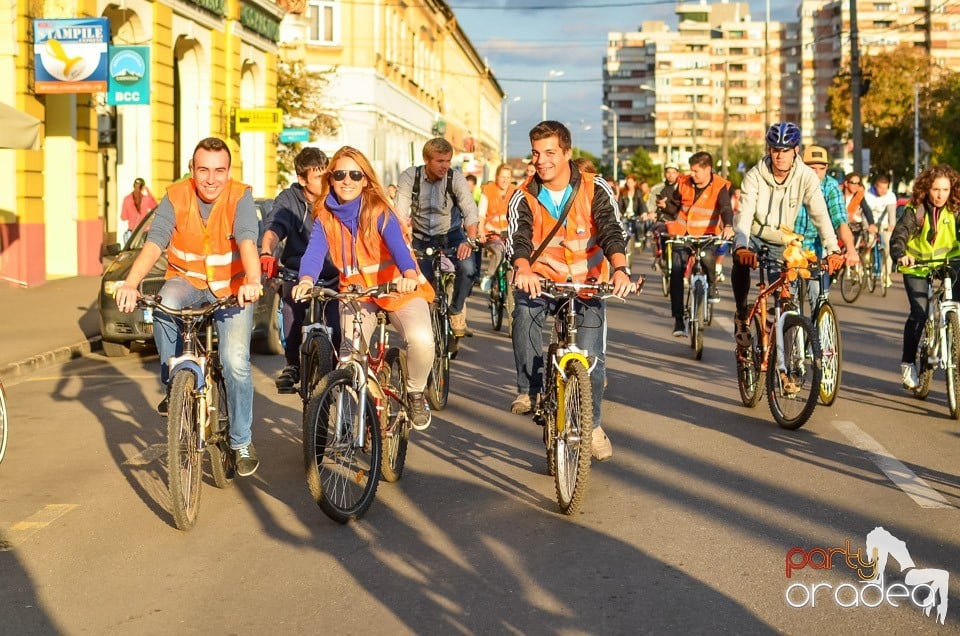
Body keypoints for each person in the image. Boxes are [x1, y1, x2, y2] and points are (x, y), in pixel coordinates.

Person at [114, 137, 263, 476]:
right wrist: (130, 283)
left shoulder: (240, 197)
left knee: (235, 361)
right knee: (164, 302)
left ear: (228, 173)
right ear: (192, 171)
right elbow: (155, 243)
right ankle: (176, 382)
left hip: (233, 287)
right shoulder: (176, 195)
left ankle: (240, 442)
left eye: (219, 171)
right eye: (203, 170)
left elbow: (247, 239)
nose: (211, 179)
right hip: (187, 282)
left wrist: (253, 280)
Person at [506, 120, 637, 461]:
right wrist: (522, 269)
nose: (541, 160)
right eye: (536, 153)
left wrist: (620, 268)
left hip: (587, 285)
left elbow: (611, 229)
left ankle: (592, 426)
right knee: (523, 316)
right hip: (541, 282)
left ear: (567, 152)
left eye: (550, 152)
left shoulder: (596, 188)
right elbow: (517, 238)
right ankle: (532, 390)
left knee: (593, 362)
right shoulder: (522, 195)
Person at [292, 146, 436, 429]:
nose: (347, 180)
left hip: (398, 288)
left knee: (421, 340)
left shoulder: (379, 211)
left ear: (365, 180)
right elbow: (314, 251)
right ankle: (353, 416)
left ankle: (416, 391)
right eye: (340, 174)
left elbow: (398, 247)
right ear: (330, 179)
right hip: (358, 293)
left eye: (355, 175)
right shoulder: (325, 216)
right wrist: (306, 279)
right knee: (349, 355)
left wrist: (408, 273)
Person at [732, 122, 843, 346]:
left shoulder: (806, 176)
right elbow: (744, 215)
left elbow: (820, 214)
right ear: (769, 150)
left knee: (784, 300)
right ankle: (742, 314)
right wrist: (741, 246)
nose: (779, 156)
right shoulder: (754, 176)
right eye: (775, 150)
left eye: (785, 150)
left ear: (796, 150)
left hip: (781, 241)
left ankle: (782, 360)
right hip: (753, 234)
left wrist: (833, 249)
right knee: (740, 262)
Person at [259, 147, 341, 393]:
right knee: (291, 307)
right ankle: (292, 363)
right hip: (296, 271)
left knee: (339, 323)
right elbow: (274, 228)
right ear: (302, 179)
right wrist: (266, 253)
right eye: (318, 176)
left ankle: (336, 370)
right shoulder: (288, 199)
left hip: (334, 274)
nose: (325, 181)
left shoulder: (338, 196)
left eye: (327, 174)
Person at [395, 138, 480, 338]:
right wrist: (403, 240)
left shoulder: (455, 178)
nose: (445, 166)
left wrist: (470, 240)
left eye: (448, 161)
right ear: (426, 159)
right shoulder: (410, 177)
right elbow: (399, 213)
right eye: (440, 161)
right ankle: (422, 326)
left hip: (452, 235)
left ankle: (456, 311)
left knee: (468, 269)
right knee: (418, 282)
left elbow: (470, 210)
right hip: (420, 237)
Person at [889, 164, 960, 390]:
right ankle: (908, 363)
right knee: (919, 313)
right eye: (936, 189)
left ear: (952, 190)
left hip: (951, 264)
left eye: (945, 190)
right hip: (917, 265)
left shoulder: (956, 209)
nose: (940, 195)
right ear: (926, 188)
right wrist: (901, 255)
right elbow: (899, 235)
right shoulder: (915, 210)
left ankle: (954, 336)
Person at [662, 151, 735, 336]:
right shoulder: (683, 183)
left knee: (708, 258)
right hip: (682, 235)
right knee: (676, 272)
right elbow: (675, 207)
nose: (692, 174)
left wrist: (728, 225)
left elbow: (726, 207)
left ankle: (711, 285)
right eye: (691, 170)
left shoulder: (720, 186)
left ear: (708, 169)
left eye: (696, 171)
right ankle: (679, 320)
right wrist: (665, 209)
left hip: (706, 236)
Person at [795, 145, 860, 310]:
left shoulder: (830, 187)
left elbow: (840, 220)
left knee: (819, 296)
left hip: (816, 246)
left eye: (821, 168)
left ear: (826, 168)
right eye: (812, 168)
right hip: (791, 244)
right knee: (789, 297)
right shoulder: (792, 182)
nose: (816, 173)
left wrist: (851, 249)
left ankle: (821, 334)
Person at [478, 163, 517, 292]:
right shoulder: (488, 191)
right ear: (496, 177)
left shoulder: (515, 192)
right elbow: (481, 215)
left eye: (508, 177)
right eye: (502, 177)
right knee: (499, 251)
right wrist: (481, 231)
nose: (505, 180)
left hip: (510, 235)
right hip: (492, 235)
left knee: (517, 255)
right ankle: (489, 276)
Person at [867, 173, 899, 287]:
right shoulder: (868, 195)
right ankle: (864, 264)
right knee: (868, 243)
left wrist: (892, 226)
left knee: (888, 249)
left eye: (886, 188)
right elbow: (865, 213)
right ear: (876, 186)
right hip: (870, 223)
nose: (883, 191)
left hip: (884, 224)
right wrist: (869, 226)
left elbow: (891, 213)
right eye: (881, 187)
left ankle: (886, 275)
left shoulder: (890, 196)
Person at [842, 172, 877, 254]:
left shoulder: (859, 196)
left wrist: (871, 223)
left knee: (868, 237)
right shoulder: (838, 194)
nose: (856, 186)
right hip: (839, 226)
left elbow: (867, 210)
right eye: (853, 183)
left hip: (854, 227)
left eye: (858, 183)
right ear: (846, 183)